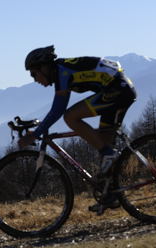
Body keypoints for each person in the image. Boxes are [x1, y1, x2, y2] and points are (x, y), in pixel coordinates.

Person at [19, 45, 137, 212]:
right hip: (120, 88)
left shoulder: (62, 72)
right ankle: (109, 195)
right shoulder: (62, 69)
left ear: (44, 67)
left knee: (70, 117)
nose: (34, 79)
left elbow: (58, 110)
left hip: (117, 90)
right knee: (103, 145)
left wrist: (35, 134)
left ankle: (108, 155)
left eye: (33, 73)